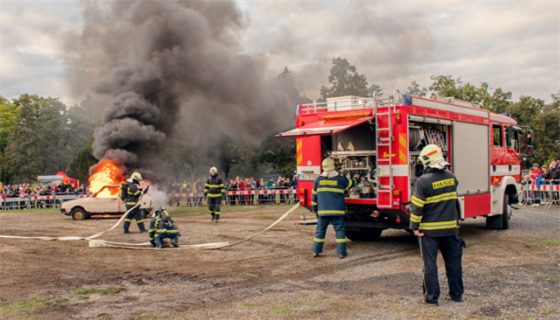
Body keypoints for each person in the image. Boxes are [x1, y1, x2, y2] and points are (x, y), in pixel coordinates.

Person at [410, 144, 464, 306]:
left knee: (430, 264)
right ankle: (456, 295)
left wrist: (414, 227)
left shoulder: (423, 182)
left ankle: (432, 297)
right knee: (453, 263)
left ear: (425, 161)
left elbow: (417, 207)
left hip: (429, 231)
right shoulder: (452, 178)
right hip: (450, 229)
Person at [311, 158, 359, 259]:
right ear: (334, 167)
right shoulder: (340, 179)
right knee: (340, 231)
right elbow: (351, 183)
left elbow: (314, 195)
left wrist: (314, 208)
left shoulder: (318, 180)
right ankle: (341, 253)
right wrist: (356, 177)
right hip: (337, 211)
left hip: (323, 211)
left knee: (320, 230)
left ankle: (316, 251)